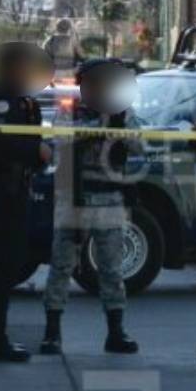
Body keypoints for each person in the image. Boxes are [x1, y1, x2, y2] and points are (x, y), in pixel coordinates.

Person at [40, 58, 142, 356]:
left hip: (109, 199)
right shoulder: (69, 110)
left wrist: (116, 125)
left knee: (111, 269)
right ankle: (52, 333)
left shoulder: (122, 112)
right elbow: (62, 138)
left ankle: (116, 331)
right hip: (74, 198)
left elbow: (138, 144)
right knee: (61, 266)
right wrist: (100, 126)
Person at [0, 42, 53, 363]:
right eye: (20, 67)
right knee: (2, 263)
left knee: (7, 262)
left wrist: (39, 155)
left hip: (18, 188)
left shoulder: (25, 102)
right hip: (1, 188)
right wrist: (35, 152)